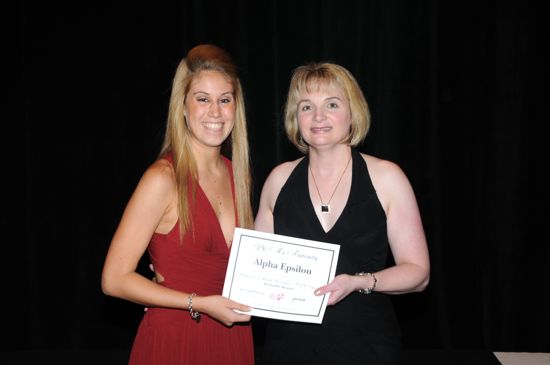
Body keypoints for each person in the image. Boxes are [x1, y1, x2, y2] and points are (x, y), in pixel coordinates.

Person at [254, 62, 430, 364]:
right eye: (306, 106)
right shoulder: (278, 179)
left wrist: (358, 281)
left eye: (331, 104)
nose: (318, 116)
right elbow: (257, 270)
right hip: (288, 348)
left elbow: (418, 273)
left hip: (366, 347)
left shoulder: (387, 177)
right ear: (296, 118)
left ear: (353, 113)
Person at [101, 44, 255, 364]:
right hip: (177, 339)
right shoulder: (163, 178)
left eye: (225, 100)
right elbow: (114, 279)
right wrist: (197, 302)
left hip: (232, 338)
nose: (215, 112)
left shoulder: (237, 175)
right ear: (182, 107)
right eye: (203, 99)